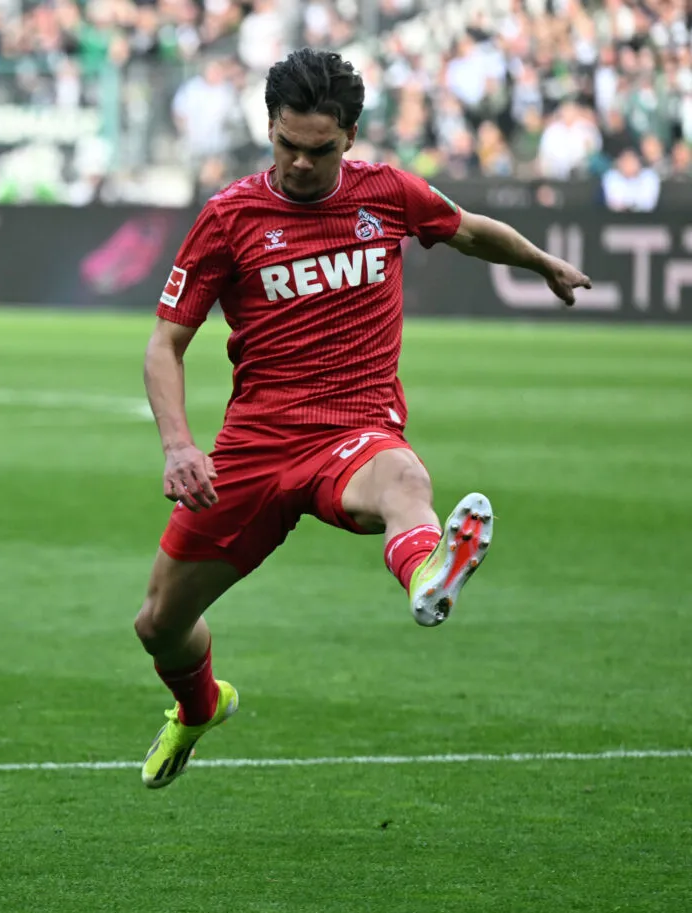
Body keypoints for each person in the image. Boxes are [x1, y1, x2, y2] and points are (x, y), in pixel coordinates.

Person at [135, 48, 592, 790]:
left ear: (349, 136)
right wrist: (178, 445)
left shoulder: (388, 193)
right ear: (270, 128)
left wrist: (541, 262)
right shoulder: (229, 217)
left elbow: (468, 228)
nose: (300, 163)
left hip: (353, 429)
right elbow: (166, 344)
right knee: (159, 623)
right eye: (287, 144)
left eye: (319, 150)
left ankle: (428, 571)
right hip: (254, 446)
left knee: (404, 477)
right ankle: (200, 706)